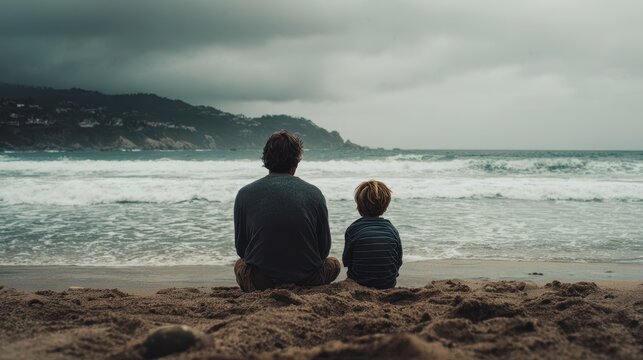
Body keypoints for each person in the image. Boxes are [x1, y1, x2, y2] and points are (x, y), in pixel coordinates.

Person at [233, 130, 340, 291]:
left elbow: (242, 249)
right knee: (334, 264)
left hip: (261, 282)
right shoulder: (314, 193)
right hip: (307, 280)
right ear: (296, 162)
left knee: (240, 265)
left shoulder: (244, 194)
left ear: (265, 159)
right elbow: (323, 250)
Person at [342, 180, 402, 289]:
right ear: (385, 206)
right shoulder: (392, 230)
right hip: (387, 284)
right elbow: (398, 261)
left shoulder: (353, 229)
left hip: (359, 283)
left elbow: (346, 260)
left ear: (359, 205)